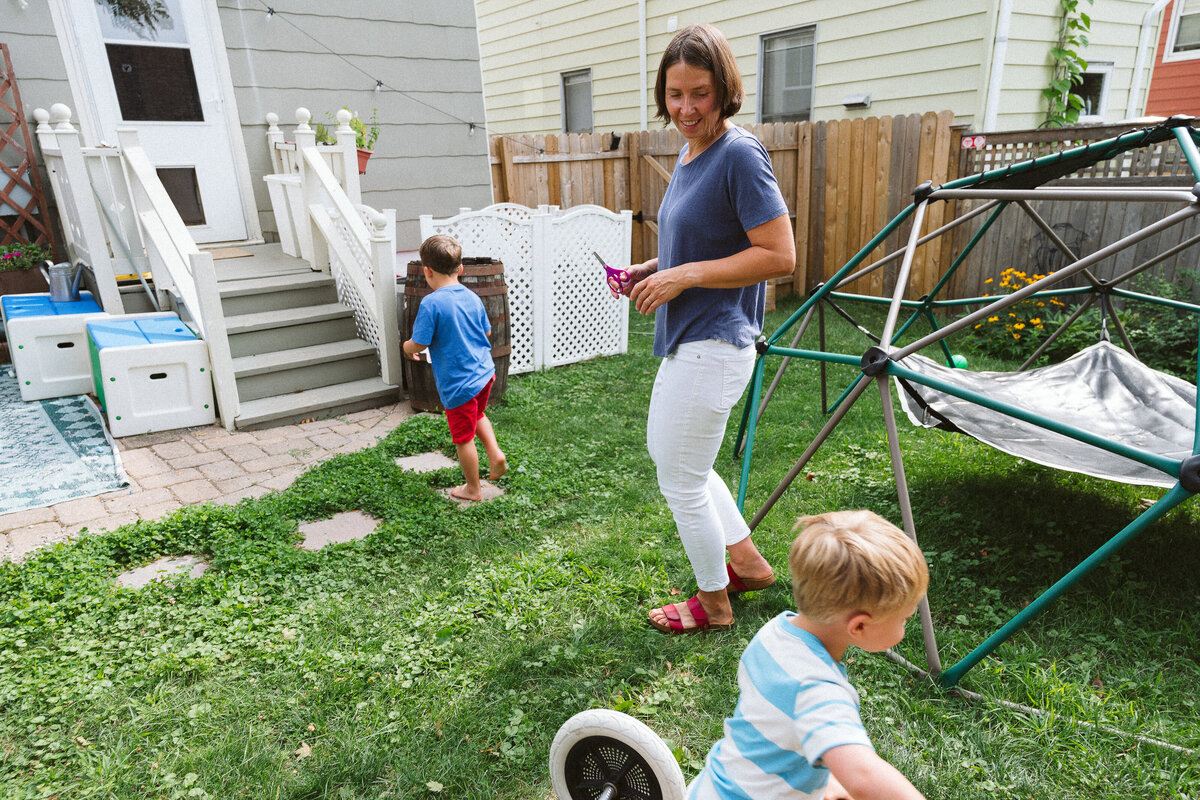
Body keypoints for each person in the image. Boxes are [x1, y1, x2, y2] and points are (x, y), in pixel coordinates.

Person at [624, 23, 796, 634]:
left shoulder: (739, 153)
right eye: (674, 94)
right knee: (683, 465)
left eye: (699, 93)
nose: (686, 108)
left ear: (724, 90)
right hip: (690, 334)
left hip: (717, 339)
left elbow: (779, 256)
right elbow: (703, 238)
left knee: (681, 477)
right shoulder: (691, 152)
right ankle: (746, 565)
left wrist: (685, 276)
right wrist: (657, 268)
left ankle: (714, 604)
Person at [686, 510, 930, 800]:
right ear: (860, 626)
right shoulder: (818, 690)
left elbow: (778, 727)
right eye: (904, 618)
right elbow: (863, 775)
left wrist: (824, 782)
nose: (908, 620)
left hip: (716, 786)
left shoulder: (778, 631)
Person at [402, 234, 506, 501]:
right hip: (484, 374)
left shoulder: (431, 303)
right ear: (460, 269)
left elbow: (419, 342)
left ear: (427, 271)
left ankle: (473, 489)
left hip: (459, 384)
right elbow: (486, 333)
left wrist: (407, 348)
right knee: (479, 414)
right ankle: (495, 455)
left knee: (463, 438)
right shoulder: (472, 297)